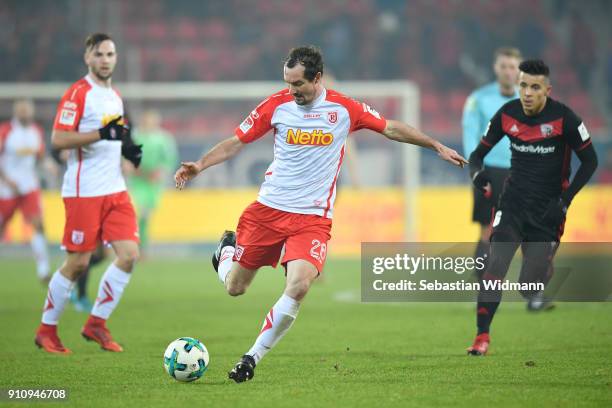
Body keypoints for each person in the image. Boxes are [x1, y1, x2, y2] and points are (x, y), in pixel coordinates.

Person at [175, 46, 468, 382]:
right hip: (267, 211)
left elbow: (391, 128)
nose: (292, 90)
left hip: (312, 219)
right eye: (287, 83)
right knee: (234, 287)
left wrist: (436, 145)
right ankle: (225, 252)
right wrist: (199, 164)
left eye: (298, 84)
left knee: (299, 286)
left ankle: (250, 359)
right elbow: (236, 142)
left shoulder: (344, 108)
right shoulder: (276, 105)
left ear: (317, 78)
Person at [466, 60, 598, 356]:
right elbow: (477, 155)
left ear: (546, 90)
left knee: (528, 287)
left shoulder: (566, 119)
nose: (526, 92)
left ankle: (542, 269)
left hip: (547, 212)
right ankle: (481, 337)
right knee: (494, 265)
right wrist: (478, 175)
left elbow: (591, 161)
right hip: (512, 205)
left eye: (534, 87)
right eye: (523, 85)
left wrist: (565, 202)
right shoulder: (507, 114)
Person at [34, 33, 143, 354]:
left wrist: (128, 147)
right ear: (88, 58)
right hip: (84, 192)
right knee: (78, 263)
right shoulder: (78, 94)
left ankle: (96, 323)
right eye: (99, 54)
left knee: (129, 255)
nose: (105, 59)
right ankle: (46, 330)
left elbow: (115, 132)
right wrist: (100, 133)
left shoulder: (115, 96)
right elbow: (58, 139)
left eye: (110, 54)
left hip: (115, 190)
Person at [462, 47, 521, 278]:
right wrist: (475, 168)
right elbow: (469, 133)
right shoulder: (478, 99)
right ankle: (483, 284)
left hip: (521, 172)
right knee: (488, 229)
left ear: (519, 70)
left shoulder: (529, 100)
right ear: (496, 68)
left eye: (512, 67)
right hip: (490, 171)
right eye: (504, 66)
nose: (508, 71)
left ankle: (533, 286)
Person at [0, 99, 52, 283]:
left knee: (38, 224)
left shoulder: (36, 131)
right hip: (6, 189)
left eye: (27, 111)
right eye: (21, 111)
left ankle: (43, 270)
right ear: (16, 112)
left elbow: (41, 156)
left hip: (29, 186)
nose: (24, 114)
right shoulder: (6, 131)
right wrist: (6, 180)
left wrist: (49, 165)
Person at [127, 110, 178, 251]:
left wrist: (160, 172)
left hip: (153, 183)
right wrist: (132, 167)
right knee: (136, 211)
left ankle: (142, 245)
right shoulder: (134, 136)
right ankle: (134, 244)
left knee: (146, 214)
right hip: (137, 181)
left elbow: (169, 159)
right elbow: (126, 156)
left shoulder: (164, 138)